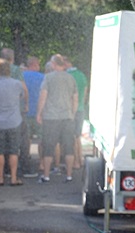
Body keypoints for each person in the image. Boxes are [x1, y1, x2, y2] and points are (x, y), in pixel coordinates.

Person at [36, 54, 78, 182]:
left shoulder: (48, 78)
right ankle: (69, 175)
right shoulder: (71, 78)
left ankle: (47, 175)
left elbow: (43, 96)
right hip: (67, 116)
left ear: (54, 64)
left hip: (51, 117)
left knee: (49, 147)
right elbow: (75, 98)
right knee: (69, 147)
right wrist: (72, 113)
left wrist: (39, 113)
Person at [0, 59, 26, 185]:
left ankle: (0, 178)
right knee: (14, 151)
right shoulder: (17, 84)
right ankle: (14, 178)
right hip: (15, 121)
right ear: (10, 72)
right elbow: (22, 96)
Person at [20, 56, 45, 176]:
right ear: (35, 65)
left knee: (27, 139)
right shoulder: (42, 77)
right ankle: (41, 163)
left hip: (25, 111)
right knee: (41, 138)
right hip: (39, 112)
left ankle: (26, 160)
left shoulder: (22, 76)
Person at [63, 56, 89, 169]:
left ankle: (75, 162)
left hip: (70, 110)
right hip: (81, 109)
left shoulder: (67, 76)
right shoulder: (81, 75)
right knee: (77, 136)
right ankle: (80, 160)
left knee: (71, 137)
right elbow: (86, 91)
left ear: (66, 63)